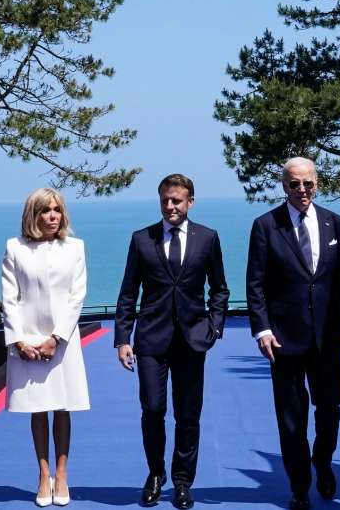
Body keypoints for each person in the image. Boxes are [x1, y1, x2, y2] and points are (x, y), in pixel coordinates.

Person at [245, 157, 340, 510]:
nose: (302, 189)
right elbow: (255, 283)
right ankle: (299, 485)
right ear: (284, 186)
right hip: (284, 340)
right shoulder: (265, 226)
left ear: (317, 183)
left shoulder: (334, 223)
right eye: (295, 184)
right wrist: (262, 329)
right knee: (291, 420)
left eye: (308, 183)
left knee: (330, 408)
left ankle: (323, 461)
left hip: (326, 339)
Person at [114, 174, 230, 510]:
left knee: (188, 414)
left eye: (177, 200)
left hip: (193, 339)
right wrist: (123, 338)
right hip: (151, 339)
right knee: (152, 408)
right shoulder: (141, 239)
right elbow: (127, 293)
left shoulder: (207, 238)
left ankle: (182, 481)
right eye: (165, 200)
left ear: (190, 201)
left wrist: (214, 326)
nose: (170, 206)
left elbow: (220, 289)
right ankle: (155, 474)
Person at [1, 188, 89, 507]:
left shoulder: (75, 247)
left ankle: (62, 474)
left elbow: (76, 297)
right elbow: (10, 298)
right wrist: (19, 340)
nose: (52, 216)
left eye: (56, 210)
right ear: (33, 215)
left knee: (62, 407)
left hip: (62, 341)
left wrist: (57, 337)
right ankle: (43, 474)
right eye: (45, 210)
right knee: (38, 409)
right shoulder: (15, 248)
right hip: (26, 341)